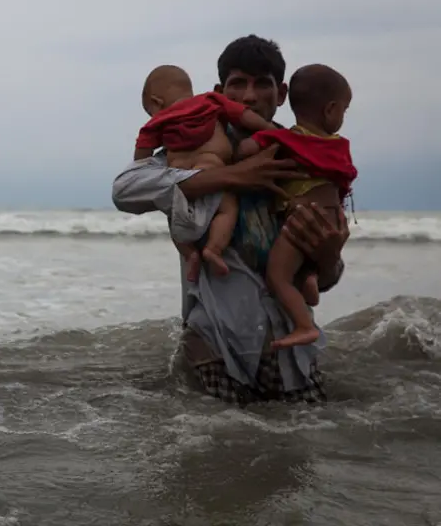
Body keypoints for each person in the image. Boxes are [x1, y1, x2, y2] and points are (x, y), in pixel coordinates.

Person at [111, 35, 349, 405]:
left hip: (290, 355)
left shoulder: (302, 156)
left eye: (262, 84)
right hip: (217, 346)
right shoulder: (192, 147)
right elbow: (125, 191)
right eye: (238, 84)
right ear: (220, 91)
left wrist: (329, 256)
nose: (249, 96)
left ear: (282, 93)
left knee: (300, 453)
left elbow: (328, 278)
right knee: (217, 452)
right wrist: (231, 177)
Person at [237, 64, 357, 349]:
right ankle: (310, 278)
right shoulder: (339, 145)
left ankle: (304, 325)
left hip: (301, 218)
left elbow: (246, 150)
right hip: (331, 216)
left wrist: (239, 156)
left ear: (284, 95)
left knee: (278, 276)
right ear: (329, 110)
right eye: (344, 110)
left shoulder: (286, 141)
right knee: (301, 262)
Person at [134, 65, 274, 280]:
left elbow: (140, 163)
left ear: (157, 102)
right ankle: (213, 250)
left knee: (175, 220)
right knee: (227, 210)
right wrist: (270, 130)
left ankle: (190, 254)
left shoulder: (157, 121)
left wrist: (143, 166)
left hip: (180, 179)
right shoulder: (211, 101)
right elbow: (244, 116)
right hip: (211, 169)